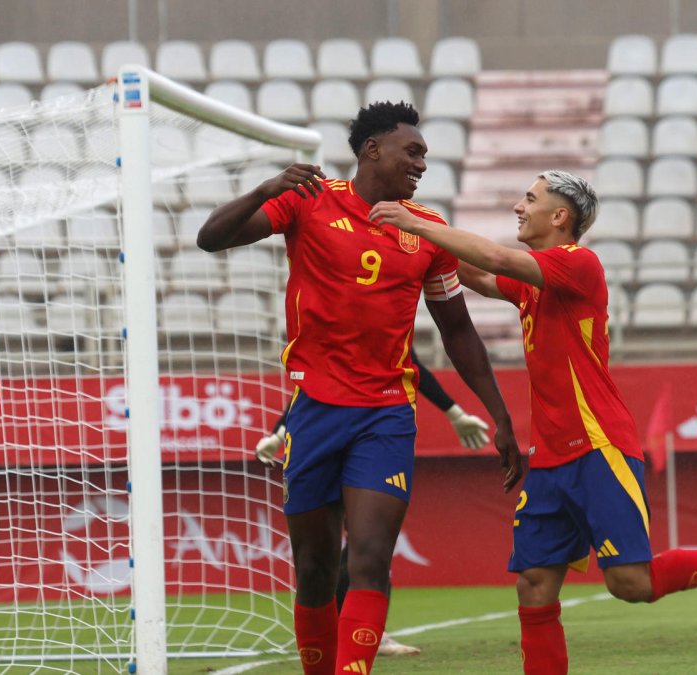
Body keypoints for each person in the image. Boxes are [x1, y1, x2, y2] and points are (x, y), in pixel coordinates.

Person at [370, 170, 697, 674]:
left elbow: (496, 259)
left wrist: (416, 223)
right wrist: (410, 239)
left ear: (559, 216)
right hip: (549, 460)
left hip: (598, 446)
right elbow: (479, 275)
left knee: (631, 583)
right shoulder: (534, 282)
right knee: (534, 584)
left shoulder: (579, 263)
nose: (519, 207)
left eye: (530, 199)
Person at [197, 101, 523, 675]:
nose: (422, 163)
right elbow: (211, 238)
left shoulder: (427, 229)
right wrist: (266, 188)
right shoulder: (309, 200)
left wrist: (499, 414)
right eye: (412, 151)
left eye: (424, 155)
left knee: (370, 559)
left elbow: (457, 330)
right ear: (372, 149)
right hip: (314, 410)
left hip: (386, 414)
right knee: (315, 569)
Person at [255, 347, 491, 657]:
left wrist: (454, 413)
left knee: (369, 545)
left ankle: (364, 631)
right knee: (330, 554)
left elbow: (412, 365)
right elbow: (314, 384)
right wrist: (279, 432)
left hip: (375, 433)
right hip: (324, 436)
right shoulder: (328, 338)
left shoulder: (386, 331)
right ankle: (340, 627)